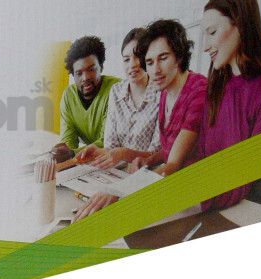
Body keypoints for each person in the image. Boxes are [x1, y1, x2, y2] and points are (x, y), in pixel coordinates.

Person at [75, 20, 206, 221]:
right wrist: (148, 160)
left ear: (179, 56)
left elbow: (173, 164)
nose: (155, 70)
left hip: (200, 194)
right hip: (171, 188)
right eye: (150, 62)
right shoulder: (166, 90)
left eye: (163, 58)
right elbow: (168, 150)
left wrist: (119, 190)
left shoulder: (197, 90)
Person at [198, 0, 261, 210]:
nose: (206, 46)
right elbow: (204, 159)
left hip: (252, 208)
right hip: (215, 202)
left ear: (240, 23)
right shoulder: (215, 89)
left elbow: (251, 170)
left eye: (212, 33)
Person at [80, 28, 161, 169]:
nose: (132, 64)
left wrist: (123, 153)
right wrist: (100, 152)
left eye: (138, 56)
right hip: (117, 172)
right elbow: (111, 146)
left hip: (147, 173)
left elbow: (156, 155)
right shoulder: (116, 91)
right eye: (126, 59)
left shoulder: (161, 94)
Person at [52, 36, 119, 160]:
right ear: (73, 75)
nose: (86, 77)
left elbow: (109, 141)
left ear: (101, 67)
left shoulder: (117, 89)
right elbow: (68, 143)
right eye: (79, 73)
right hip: (94, 162)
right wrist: (63, 152)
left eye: (91, 69)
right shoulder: (69, 96)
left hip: (119, 158)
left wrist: (73, 153)